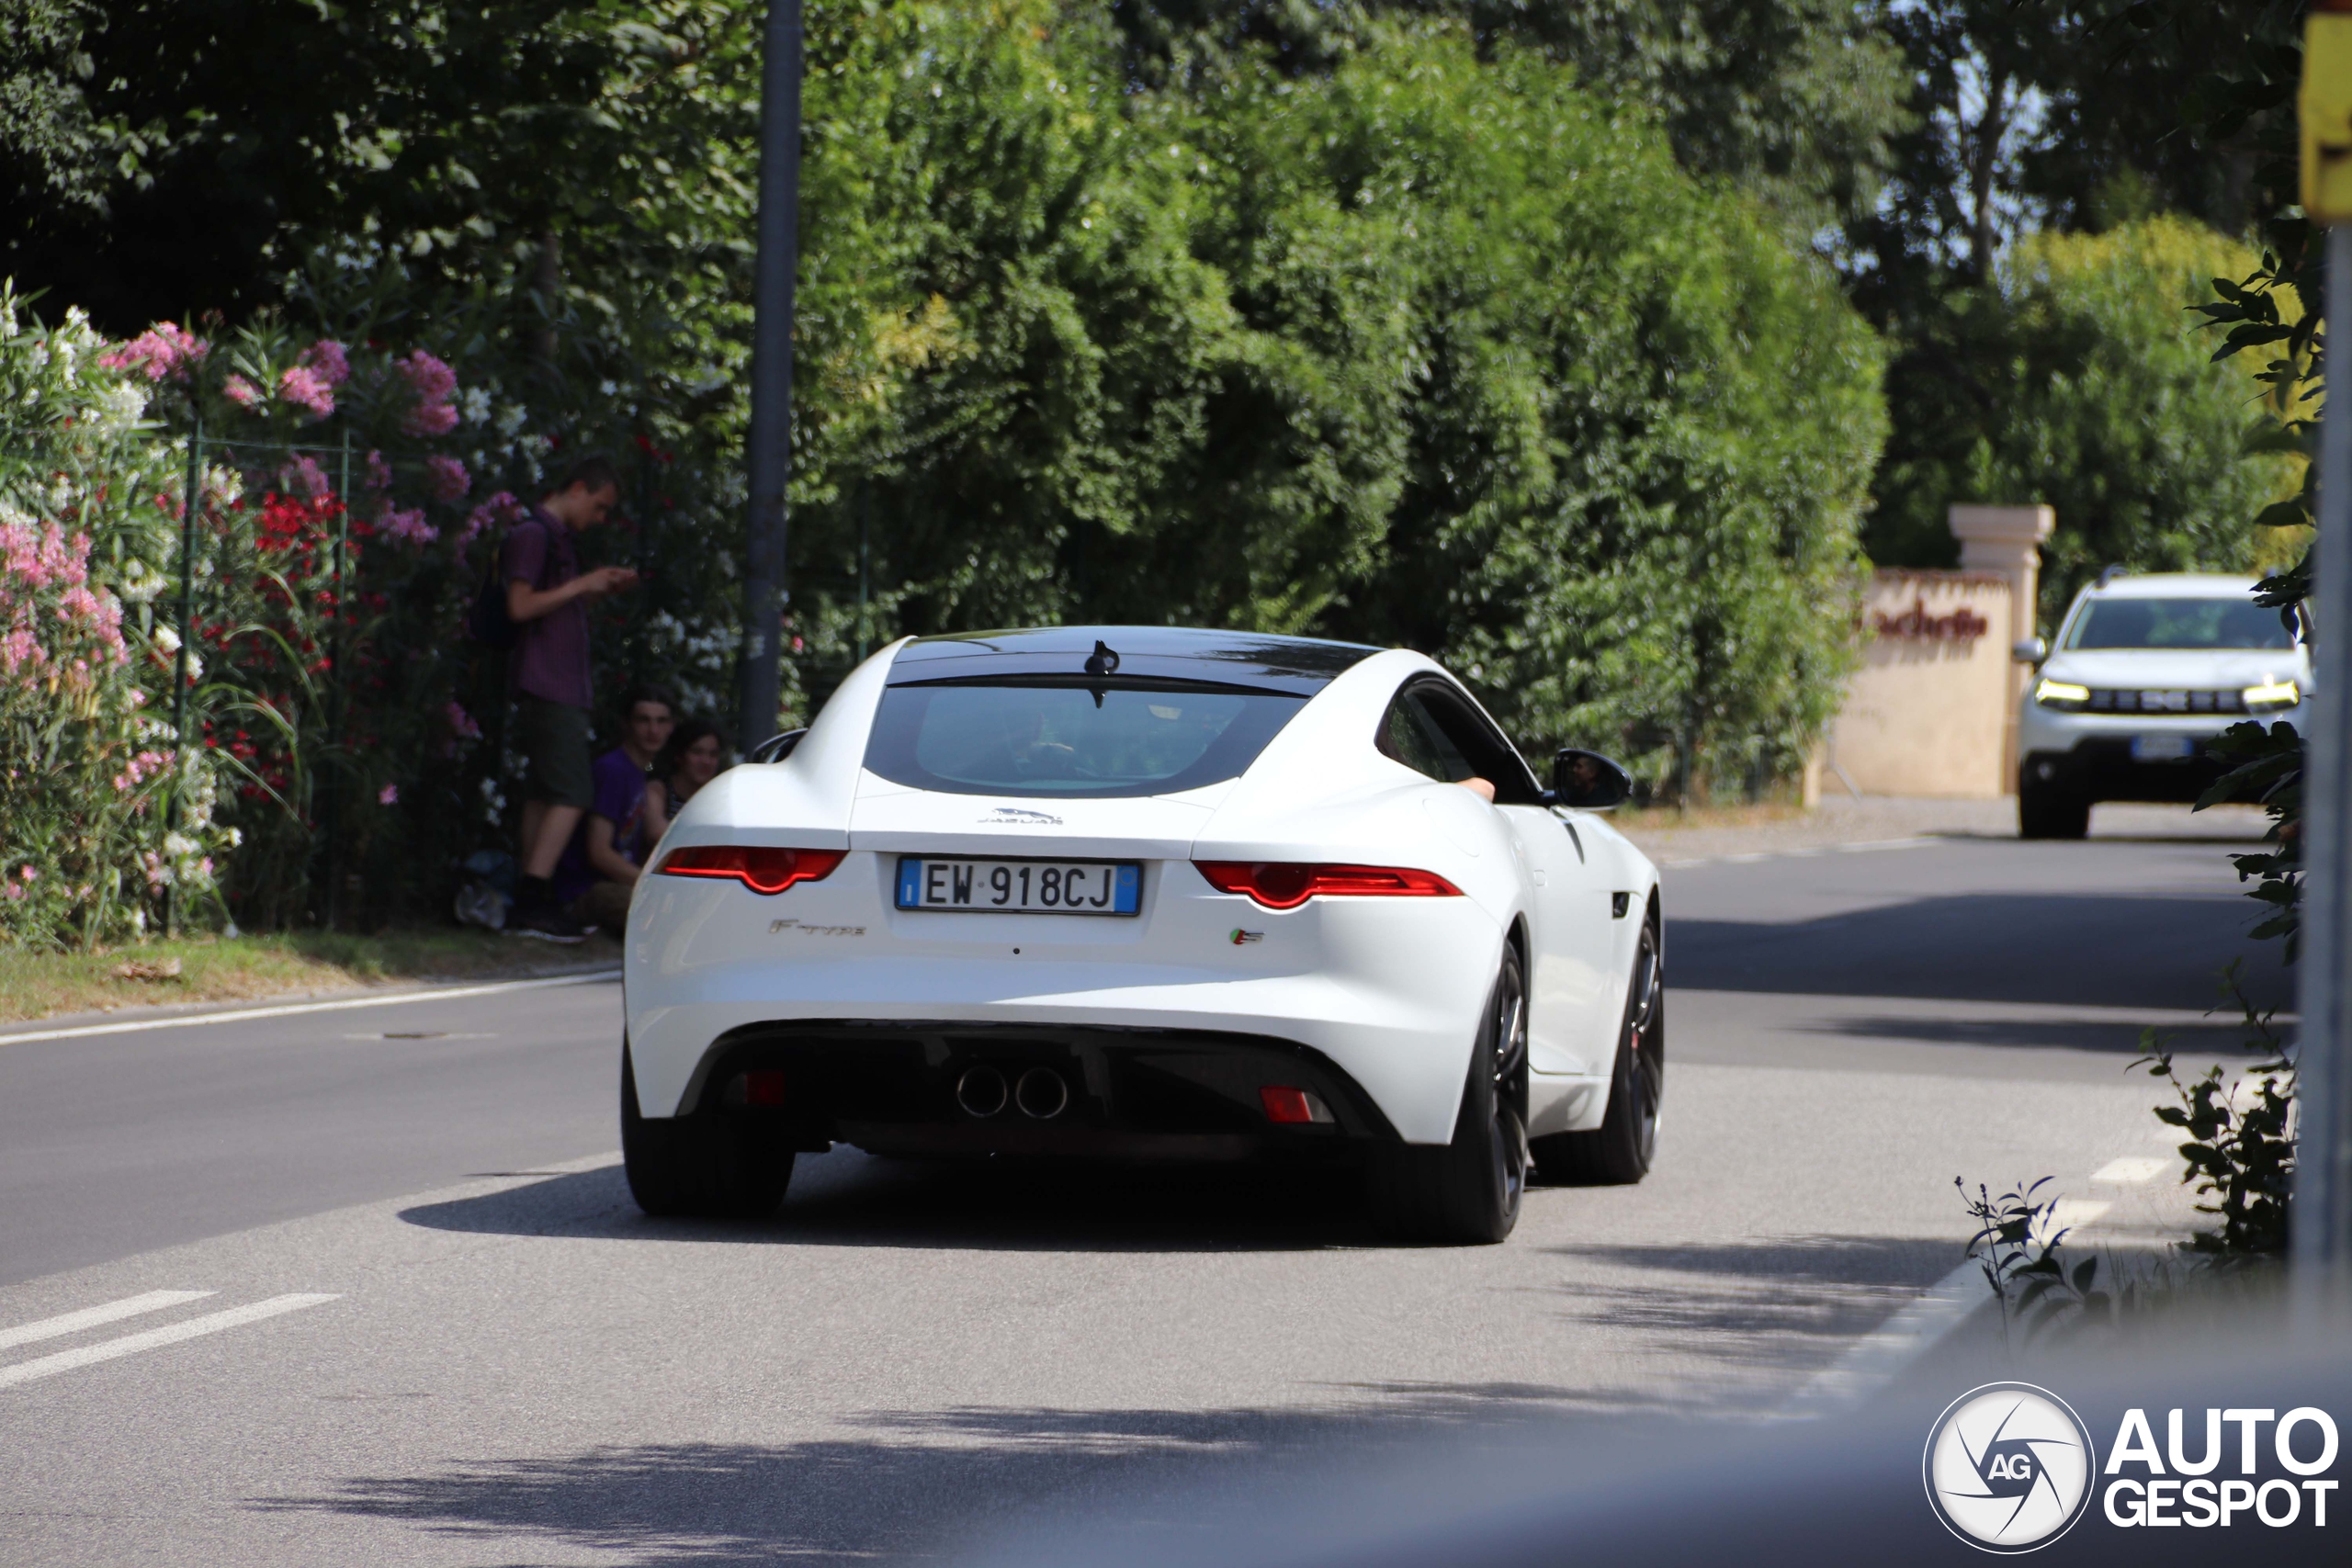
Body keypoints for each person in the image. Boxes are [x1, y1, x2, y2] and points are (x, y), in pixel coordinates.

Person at [504, 455, 639, 941]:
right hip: (547, 683)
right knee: (571, 792)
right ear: (577, 488)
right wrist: (583, 583)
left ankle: (530, 894)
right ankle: (533, 895)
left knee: (546, 791)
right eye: (599, 507)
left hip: (555, 683)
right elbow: (519, 606)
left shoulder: (555, 540)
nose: (599, 519)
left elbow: (551, 607)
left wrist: (594, 589)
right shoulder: (534, 535)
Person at [550, 682, 673, 932]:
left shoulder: (637, 773)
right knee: (663, 918)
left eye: (661, 721)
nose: (653, 730)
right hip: (585, 890)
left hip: (616, 883)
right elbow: (599, 852)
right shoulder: (613, 770)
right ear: (627, 724)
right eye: (643, 720)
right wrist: (650, 884)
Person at [639, 718, 728, 859]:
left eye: (713, 754)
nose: (706, 761)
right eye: (697, 752)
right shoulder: (658, 791)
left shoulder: (720, 798)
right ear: (679, 756)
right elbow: (656, 833)